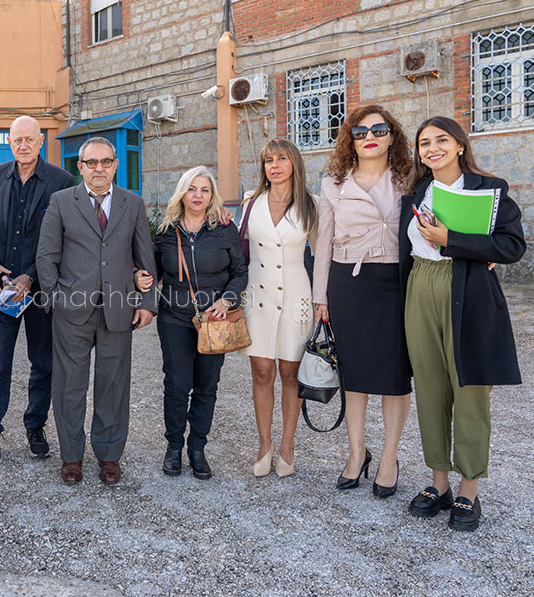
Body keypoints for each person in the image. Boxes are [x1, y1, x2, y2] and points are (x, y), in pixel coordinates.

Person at [400, 116, 525, 531]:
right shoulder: (416, 193)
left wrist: (452, 240)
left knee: (469, 388)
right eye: (423, 143)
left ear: (458, 145)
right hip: (421, 285)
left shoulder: (489, 190)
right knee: (431, 386)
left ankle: (469, 487)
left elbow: (511, 245)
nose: (431, 148)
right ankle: (439, 483)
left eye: (440, 140)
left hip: (466, 288)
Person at [35, 136, 157, 485]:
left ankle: (108, 455)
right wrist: (56, 298)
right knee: (70, 386)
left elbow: (144, 256)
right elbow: (47, 256)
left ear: (115, 165)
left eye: (106, 162)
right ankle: (71, 456)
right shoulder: (61, 201)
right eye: (92, 163)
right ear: (81, 166)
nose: (99, 168)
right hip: (71, 310)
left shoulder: (132, 203)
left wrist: (147, 302)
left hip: (119, 309)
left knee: (113, 385)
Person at [312, 105, 413, 497]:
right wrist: (321, 296)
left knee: (394, 377)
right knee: (353, 376)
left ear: (392, 136)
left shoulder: (409, 179)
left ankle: (389, 457)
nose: (369, 136)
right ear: (350, 140)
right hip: (348, 284)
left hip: (397, 283)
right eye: (360, 131)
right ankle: (357, 454)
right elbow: (322, 245)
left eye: (379, 129)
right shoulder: (333, 184)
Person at [0, 116, 76, 465]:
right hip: (2, 290)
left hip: (41, 291)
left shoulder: (62, 181)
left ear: (40, 142)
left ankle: (35, 425)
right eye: (17, 140)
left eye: (29, 139)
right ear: (9, 142)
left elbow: (63, 238)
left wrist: (31, 277)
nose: (23, 146)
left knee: (43, 363)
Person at [153, 167, 246, 479]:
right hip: (175, 317)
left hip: (214, 320)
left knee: (207, 385)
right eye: (192, 189)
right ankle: (174, 447)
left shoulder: (224, 228)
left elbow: (240, 271)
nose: (198, 195)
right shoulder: (165, 231)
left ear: (212, 195)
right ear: (182, 192)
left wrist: (227, 300)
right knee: (177, 384)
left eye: (204, 190)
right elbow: (151, 272)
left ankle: (197, 447)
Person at [240, 139, 317, 478]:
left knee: (290, 373)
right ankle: (264, 444)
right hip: (257, 298)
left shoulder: (312, 205)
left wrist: (325, 300)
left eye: (281, 158)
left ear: (293, 164)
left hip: (297, 299)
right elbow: (238, 254)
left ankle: (287, 445)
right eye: (268, 159)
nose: (274, 165)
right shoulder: (249, 204)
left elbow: (325, 256)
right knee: (261, 372)